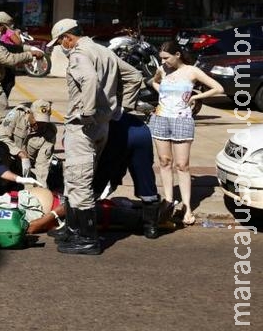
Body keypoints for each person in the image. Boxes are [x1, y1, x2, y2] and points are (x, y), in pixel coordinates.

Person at [46, 18, 120, 255]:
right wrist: (116, 111)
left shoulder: (79, 54)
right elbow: (133, 76)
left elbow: (88, 79)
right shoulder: (104, 51)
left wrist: (87, 112)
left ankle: (87, 238)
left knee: (79, 182)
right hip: (101, 126)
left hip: (84, 127)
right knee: (75, 178)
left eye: (60, 43)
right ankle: (72, 229)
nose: (62, 47)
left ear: (68, 37)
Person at [148, 40, 223, 226]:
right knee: (165, 162)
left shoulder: (192, 71)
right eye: (161, 59)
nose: (164, 62)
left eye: (167, 58)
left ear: (177, 55)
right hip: (161, 119)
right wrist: (161, 94)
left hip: (182, 120)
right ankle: (168, 201)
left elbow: (218, 88)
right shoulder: (162, 70)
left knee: (182, 165)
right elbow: (152, 81)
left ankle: (187, 207)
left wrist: (196, 96)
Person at [92, 60, 162, 239]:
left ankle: (85, 223)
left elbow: (105, 160)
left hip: (119, 133)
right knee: (145, 179)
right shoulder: (120, 99)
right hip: (140, 131)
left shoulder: (101, 103)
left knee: (100, 175)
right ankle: (151, 227)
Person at [0, 100, 57, 189]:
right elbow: (1, 137)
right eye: (37, 119)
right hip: (10, 157)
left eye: (43, 121)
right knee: (0, 148)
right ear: (29, 113)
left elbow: (42, 164)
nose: (39, 124)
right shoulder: (17, 114)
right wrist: (20, 153)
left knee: (36, 188)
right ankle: (1, 181)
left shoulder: (49, 132)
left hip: (28, 167)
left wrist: (41, 188)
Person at [0, 11, 23, 98]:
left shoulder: (8, 32)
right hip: (1, 60)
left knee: (9, 82)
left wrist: (17, 34)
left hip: (8, 60)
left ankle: (4, 100)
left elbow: (18, 43)